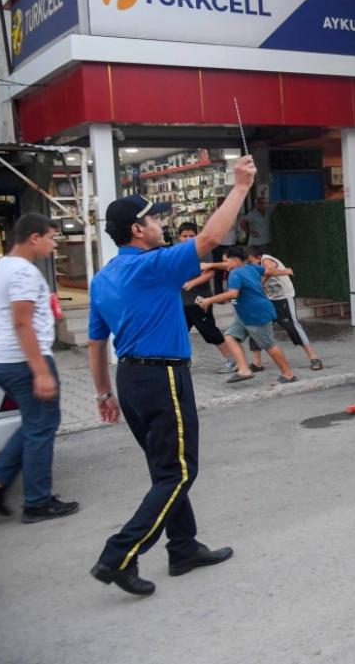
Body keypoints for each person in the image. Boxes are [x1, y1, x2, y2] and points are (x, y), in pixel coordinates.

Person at [87, 157, 256, 597]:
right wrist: (239, 187)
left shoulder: (103, 278)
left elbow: (95, 343)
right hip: (162, 379)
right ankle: (119, 555)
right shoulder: (153, 264)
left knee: (166, 469)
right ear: (138, 231)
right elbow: (212, 238)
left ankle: (183, 548)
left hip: (129, 380)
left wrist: (103, 392)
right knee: (178, 473)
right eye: (154, 218)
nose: (162, 222)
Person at [0, 214, 78, 523]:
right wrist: (41, 371)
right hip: (22, 360)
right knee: (42, 425)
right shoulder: (24, 272)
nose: (54, 244)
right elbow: (22, 323)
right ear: (34, 237)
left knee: (36, 422)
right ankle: (37, 501)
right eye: (51, 237)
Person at [198, 247, 298, 385]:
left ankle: (288, 375)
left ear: (236, 261)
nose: (225, 264)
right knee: (230, 336)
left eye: (226, 261)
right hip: (244, 314)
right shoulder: (251, 267)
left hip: (256, 314)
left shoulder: (235, 274)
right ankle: (244, 370)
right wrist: (284, 271)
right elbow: (268, 271)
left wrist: (209, 300)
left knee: (269, 345)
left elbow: (233, 294)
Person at [242, 248, 323, 371]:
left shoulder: (266, 259)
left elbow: (270, 268)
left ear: (258, 257)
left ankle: (314, 358)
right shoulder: (252, 266)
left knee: (292, 326)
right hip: (268, 299)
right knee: (257, 326)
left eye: (251, 260)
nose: (250, 263)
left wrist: (263, 279)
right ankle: (256, 363)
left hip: (283, 298)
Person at [174, 223, 237, 373]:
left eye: (191, 235)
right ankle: (183, 360)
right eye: (185, 236)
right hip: (181, 301)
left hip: (201, 299)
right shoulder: (175, 252)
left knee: (208, 330)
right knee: (181, 331)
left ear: (197, 235)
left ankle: (231, 360)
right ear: (179, 237)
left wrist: (192, 282)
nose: (188, 239)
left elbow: (210, 273)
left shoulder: (203, 251)